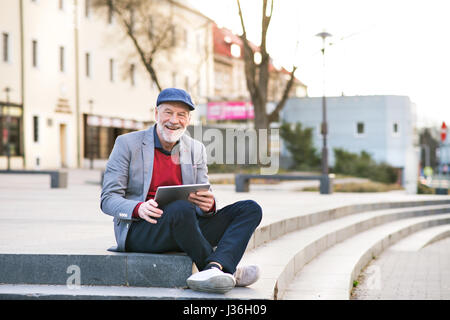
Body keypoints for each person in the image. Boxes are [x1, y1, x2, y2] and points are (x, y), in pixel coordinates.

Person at [101, 88, 262, 294]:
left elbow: (204, 196)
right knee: (181, 208)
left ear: (188, 119)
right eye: (168, 112)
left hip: (185, 223)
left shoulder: (196, 149)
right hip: (142, 229)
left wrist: (208, 206)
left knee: (249, 209)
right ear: (156, 114)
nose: (174, 120)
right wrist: (138, 208)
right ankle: (223, 269)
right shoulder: (127, 144)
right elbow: (108, 198)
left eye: (181, 115)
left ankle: (216, 269)